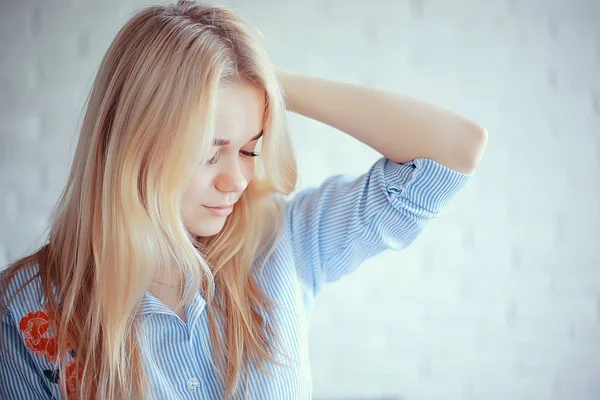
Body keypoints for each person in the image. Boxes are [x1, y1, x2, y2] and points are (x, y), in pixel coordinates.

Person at [0, 1, 487, 399]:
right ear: (132, 146)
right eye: (208, 155)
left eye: (251, 148)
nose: (237, 179)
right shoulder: (24, 310)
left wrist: (259, 75)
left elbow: (453, 151)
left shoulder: (284, 241)